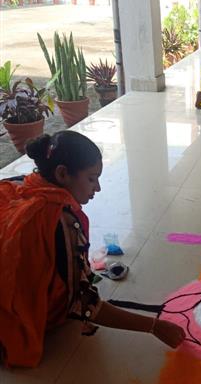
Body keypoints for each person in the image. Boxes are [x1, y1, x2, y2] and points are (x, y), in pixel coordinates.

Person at [0, 131, 186, 368]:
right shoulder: (58, 220)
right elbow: (85, 304)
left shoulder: (16, 184)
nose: (97, 188)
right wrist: (154, 326)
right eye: (91, 179)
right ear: (62, 173)